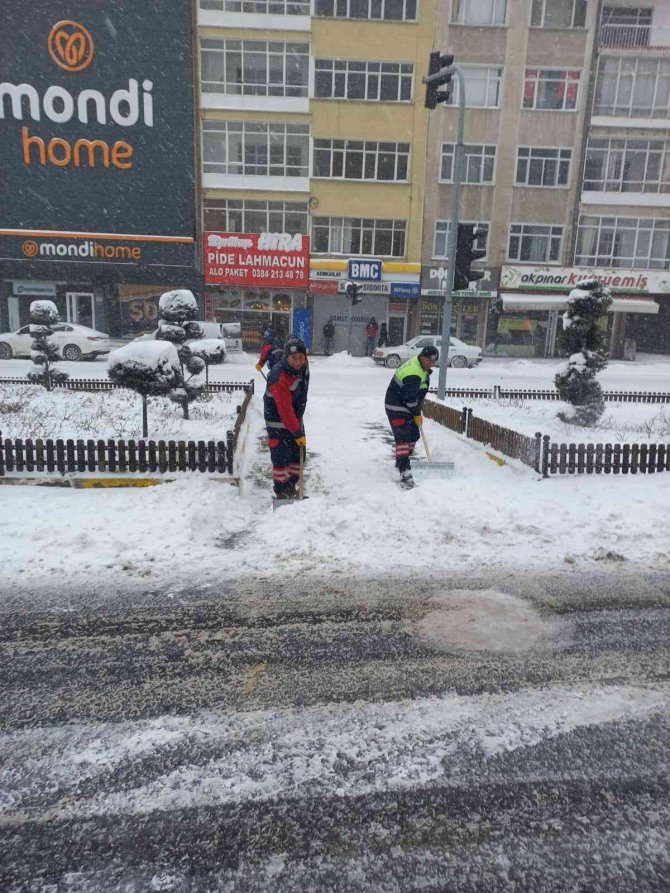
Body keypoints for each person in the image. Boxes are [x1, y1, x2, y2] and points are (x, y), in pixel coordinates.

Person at [384, 345, 439, 486]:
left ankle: (403, 459)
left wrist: (416, 411)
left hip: (406, 405)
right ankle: (403, 468)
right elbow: (409, 398)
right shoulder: (413, 372)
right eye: (427, 360)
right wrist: (416, 412)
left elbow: (417, 393)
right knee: (403, 436)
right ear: (422, 356)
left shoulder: (421, 369)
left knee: (414, 434)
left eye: (432, 362)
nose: (429, 363)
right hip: (396, 405)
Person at [264, 336, 310, 499]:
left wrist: (299, 418)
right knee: (281, 456)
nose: (297, 362)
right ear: (286, 357)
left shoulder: (304, 367)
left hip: (294, 418)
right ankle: (282, 491)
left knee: (298, 455)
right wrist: (297, 433)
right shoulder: (279, 377)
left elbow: (302, 391)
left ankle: (291, 486)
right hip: (277, 421)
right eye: (293, 358)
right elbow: (285, 410)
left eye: (300, 358)